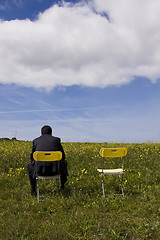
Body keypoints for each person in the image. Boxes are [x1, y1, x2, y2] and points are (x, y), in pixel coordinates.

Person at [27, 125, 68, 195]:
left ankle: (33, 189)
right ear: (51, 133)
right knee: (64, 162)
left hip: (39, 171)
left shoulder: (36, 141)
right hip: (55, 170)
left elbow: (32, 158)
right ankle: (62, 186)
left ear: (41, 133)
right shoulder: (56, 140)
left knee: (30, 165)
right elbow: (63, 156)